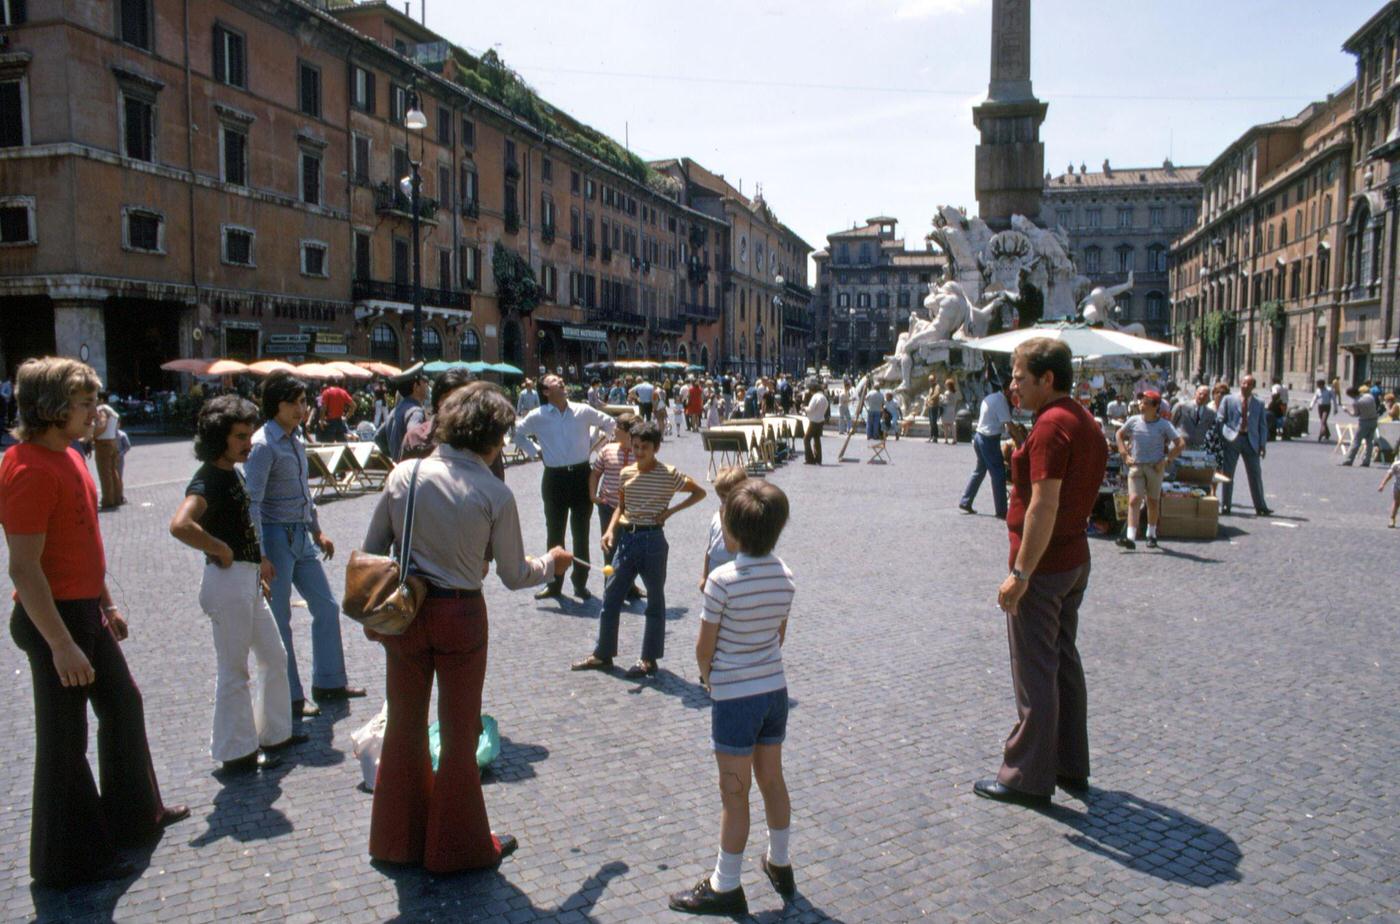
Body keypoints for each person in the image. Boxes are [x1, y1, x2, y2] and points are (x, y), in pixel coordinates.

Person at [362, 384, 570, 874]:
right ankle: (457, 847)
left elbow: (372, 552)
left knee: (405, 729)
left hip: (406, 616)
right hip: (460, 616)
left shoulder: (404, 475)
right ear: (494, 439)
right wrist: (553, 563)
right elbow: (515, 575)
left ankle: (396, 840)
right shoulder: (494, 493)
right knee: (458, 735)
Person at [1, 357, 188, 887]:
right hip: (54, 620)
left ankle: (133, 818)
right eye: (84, 404)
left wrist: (105, 605)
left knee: (123, 705)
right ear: (52, 407)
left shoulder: (70, 455)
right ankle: (70, 862)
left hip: (83, 612)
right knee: (64, 741)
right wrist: (60, 644)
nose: (94, 412)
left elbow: (84, 543)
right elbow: (24, 568)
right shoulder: (28, 466)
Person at [974, 338, 1107, 808]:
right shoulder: (1081, 420)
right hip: (1074, 559)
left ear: (1047, 379)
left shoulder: (1051, 427)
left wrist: (1021, 572)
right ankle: (1071, 762)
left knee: (1036, 670)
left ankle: (1027, 776)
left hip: (1045, 565)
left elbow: (1043, 506)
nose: (1012, 384)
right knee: (1064, 663)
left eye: (1018, 376)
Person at [668, 479, 796, 916]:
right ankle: (780, 862)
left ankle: (725, 885)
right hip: (773, 690)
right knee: (772, 780)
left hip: (735, 697)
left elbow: (705, 647)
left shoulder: (722, 581)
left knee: (734, 792)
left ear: (732, 532)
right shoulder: (785, 575)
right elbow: (777, 637)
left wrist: (708, 679)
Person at [169, 396, 304, 774]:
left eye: (249, 434)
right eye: (240, 436)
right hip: (227, 582)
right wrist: (220, 549)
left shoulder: (230, 471)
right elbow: (180, 524)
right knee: (234, 669)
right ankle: (236, 751)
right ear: (219, 439)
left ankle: (275, 734)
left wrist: (256, 560)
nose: (248, 443)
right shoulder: (208, 478)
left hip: (244, 579)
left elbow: (239, 522)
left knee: (274, 656)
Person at [244, 371, 365, 721]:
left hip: (300, 535)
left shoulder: (295, 439)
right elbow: (252, 502)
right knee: (281, 619)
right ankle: (291, 697)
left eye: (302, 402)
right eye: (294, 403)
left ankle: (329, 682)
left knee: (326, 607)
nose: (301, 409)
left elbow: (304, 491)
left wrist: (317, 530)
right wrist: (260, 554)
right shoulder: (263, 445)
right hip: (275, 536)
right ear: (275, 405)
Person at [571, 421, 706, 678]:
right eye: (635, 447)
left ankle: (648, 659)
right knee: (611, 597)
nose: (639, 452)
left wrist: (671, 511)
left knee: (655, 601)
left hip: (653, 541)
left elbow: (699, 492)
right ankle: (603, 654)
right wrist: (610, 531)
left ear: (656, 448)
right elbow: (621, 507)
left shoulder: (669, 474)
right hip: (627, 539)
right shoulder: (626, 473)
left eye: (645, 447)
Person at [515, 373, 616, 600]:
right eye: (555, 382)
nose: (561, 382)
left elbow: (610, 423)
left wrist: (598, 445)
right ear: (545, 391)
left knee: (581, 533)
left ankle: (580, 583)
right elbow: (517, 434)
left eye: (561, 380)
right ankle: (554, 583)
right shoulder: (537, 416)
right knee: (555, 532)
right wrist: (535, 451)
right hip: (554, 479)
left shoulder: (582, 410)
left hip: (581, 475)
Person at [1115, 390, 1185, 550]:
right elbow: (1119, 434)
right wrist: (1124, 454)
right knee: (1134, 500)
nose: (1141, 405)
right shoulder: (1133, 421)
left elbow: (1180, 443)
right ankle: (1130, 537)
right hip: (1136, 467)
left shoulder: (1164, 425)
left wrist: (1167, 460)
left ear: (1155, 407)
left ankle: (1151, 534)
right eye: (1141, 402)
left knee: (1153, 502)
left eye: (1145, 403)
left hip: (1155, 468)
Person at [591, 412, 642, 601]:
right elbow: (595, 474)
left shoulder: (640, 452)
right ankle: (610, 587)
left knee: (631, 547)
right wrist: (592, 495)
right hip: (608, 505)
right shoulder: (607, 449)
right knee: (609, 547)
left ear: (627, 432)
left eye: (617, 429)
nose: (613, 431)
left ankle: (630, 586)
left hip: (632, 508)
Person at [1217, 375, 1272, 516]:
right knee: (1228, 474)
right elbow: (1220, 419)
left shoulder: (1259, 403)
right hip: (1233, 439)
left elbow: (1263, 426)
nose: (1245, 386)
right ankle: (1226, 505)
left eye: (1248, 384)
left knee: (1255, 474)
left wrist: (1262, 444)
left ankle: (1260, 506)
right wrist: (1224, 436)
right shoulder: (1229, 399)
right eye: (1243, 383)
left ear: (1253, 386)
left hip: (1251, 441)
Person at [960, 380, 1013, 518]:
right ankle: (1001, 510)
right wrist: (1021, 441)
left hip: (978, 437)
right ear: (1006, 390)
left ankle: (966, 500)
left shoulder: (990, 397)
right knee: (998, 474)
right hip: (989, 439)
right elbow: (1009, 425)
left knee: (980, 471)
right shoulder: (1001, 401)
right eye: (1013, 391)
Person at [699, 466, 747, 590]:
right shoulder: (716, 516)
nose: (725, 501)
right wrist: (704, 576)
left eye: (729, 496)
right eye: (721, 496)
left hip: (735, 575)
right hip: (714, 572)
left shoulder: (743, 518)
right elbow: (710, 548)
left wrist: (724, 518)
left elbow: (732, 547)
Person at [383, 367, 429, 463]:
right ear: (416, 386)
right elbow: (414, 438)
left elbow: (378, 437)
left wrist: (394, 457)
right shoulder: (416, 412)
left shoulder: (395, 410)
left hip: (398, 468)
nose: (427, 384)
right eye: (424, 381)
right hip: (411, 469)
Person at [93, 393, 123, 509]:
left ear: (101, 399)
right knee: (114, 472)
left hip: (103, 443)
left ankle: (107, 500)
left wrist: (92, 436)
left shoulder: (102, 409)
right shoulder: (112, 411)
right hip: (112, 441)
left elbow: (102, 425)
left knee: (105, 473)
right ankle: (117, 497)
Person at [1341, 386, 1379, 467]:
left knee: (1356, 441)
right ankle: (1366, 461)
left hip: (1364, 422)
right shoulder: (1369, 396)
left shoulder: (1356, 402)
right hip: (1374, 420)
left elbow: (1355, 414)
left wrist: (1347, 410)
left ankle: (1349, 460)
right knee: (1369, 442)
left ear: (1351, 394)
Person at [1171, 385, 1217, 451]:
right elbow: (1171, 423)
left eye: (1205, 395)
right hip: (1179, 446)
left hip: (1197, 448)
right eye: (1200, 394)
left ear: (1208, 397)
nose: (1202, 396)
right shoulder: (1181, 406)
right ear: (1195, 393)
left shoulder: (1210, 413)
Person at [802, 381, 828, 465]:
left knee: (806, 439)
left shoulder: (815, 397)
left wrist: (804, 408)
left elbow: (810, 409)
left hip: (814, 421)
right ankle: (818, 459)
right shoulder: (824, 398)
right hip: (821, 420)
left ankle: (810, 458)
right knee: (817, 439)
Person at [939, 378, 959, 444]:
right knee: (952, 424)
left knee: (945, 425)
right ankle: (955, 439)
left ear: (948, 385)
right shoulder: (955, 392)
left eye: (946, 384)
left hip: (946, 409)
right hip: (952, 409)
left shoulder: (947, 392)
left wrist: (941, 398)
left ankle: (946, 439)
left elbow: (945, 401)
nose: (945, 385)